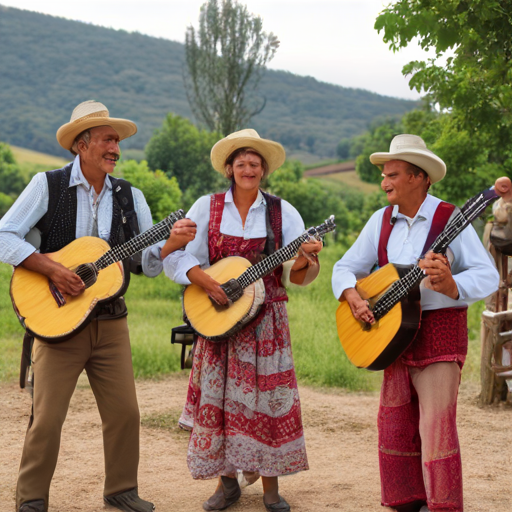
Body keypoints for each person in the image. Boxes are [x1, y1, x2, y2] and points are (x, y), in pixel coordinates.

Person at [0, 100, 195, 512]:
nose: (116, 148)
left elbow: (145, 262)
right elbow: (5, 236)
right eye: (108, 139)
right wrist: (52, 269)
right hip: (57, 323)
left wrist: (171, 245)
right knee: (47, 418)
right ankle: (31, 499)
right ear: (81, 144)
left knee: (125, 412)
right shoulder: (46, 185)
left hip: (110, 322)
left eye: (118, 141)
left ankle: (121, 489)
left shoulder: (130, 196)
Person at [331, 134, 499, 512]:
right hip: (394, 338)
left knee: (435, 430)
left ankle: (441, 506)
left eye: (392, 174)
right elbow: (345, 268)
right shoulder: (380, 220)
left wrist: (453, 284)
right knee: (396, 427)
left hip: (439, 335)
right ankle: (407, 502)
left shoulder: (450, 218)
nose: (384, 182)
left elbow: (488, 276)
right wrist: (352, 295)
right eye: (384, 175)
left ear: (419, 176)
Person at [162, 129, 322, 512]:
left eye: (254, 164)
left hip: (267, 322)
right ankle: (227, 484)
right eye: (241, 163)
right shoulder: (207, 207)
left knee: (268, 403)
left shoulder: (284, 212)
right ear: (229, 169)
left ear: (263, 170)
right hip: (219, 319)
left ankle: (271, 489)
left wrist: (305, 257)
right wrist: (209, 284)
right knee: (218, 404)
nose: (247, 169)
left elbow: (296, 276)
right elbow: (181, 257)